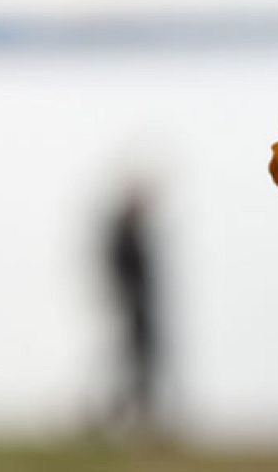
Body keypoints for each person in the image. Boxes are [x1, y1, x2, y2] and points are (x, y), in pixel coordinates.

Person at [104, 183, 159, 436]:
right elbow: (122, 272)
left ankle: (138, 419)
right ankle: (126, 419)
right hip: (133, 308)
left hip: (139, 308)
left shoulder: (131, 232)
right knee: (133, 366)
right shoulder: (124, 233)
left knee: (139, 366)